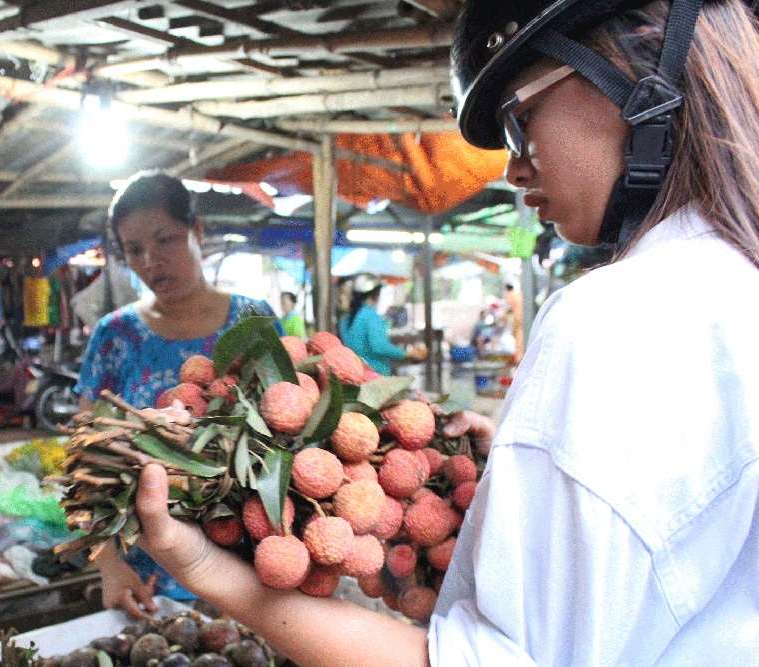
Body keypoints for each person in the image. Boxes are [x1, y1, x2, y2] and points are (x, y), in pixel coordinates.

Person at [132, 1, 759, 665]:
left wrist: (207, 568)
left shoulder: (618, 317)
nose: (515, 169)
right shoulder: (732, 282)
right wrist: (523, 466)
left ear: (641, 77)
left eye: (519, 120)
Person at [75, 171, 283, 619]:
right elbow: (85, 458)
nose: (151, 262)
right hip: (149, 577)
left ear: (196, 230)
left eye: (164, 240)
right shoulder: (114, 336)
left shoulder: (253, 321)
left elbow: (290, 434)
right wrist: (107, 565)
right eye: (134, 250)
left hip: (250, 574)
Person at [338, 274, 424, 375]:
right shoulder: (371, 316)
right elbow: (380, 347)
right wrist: (406, 353)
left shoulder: (345, 319)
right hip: (375, 374)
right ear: (375, 294)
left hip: (354, 373)